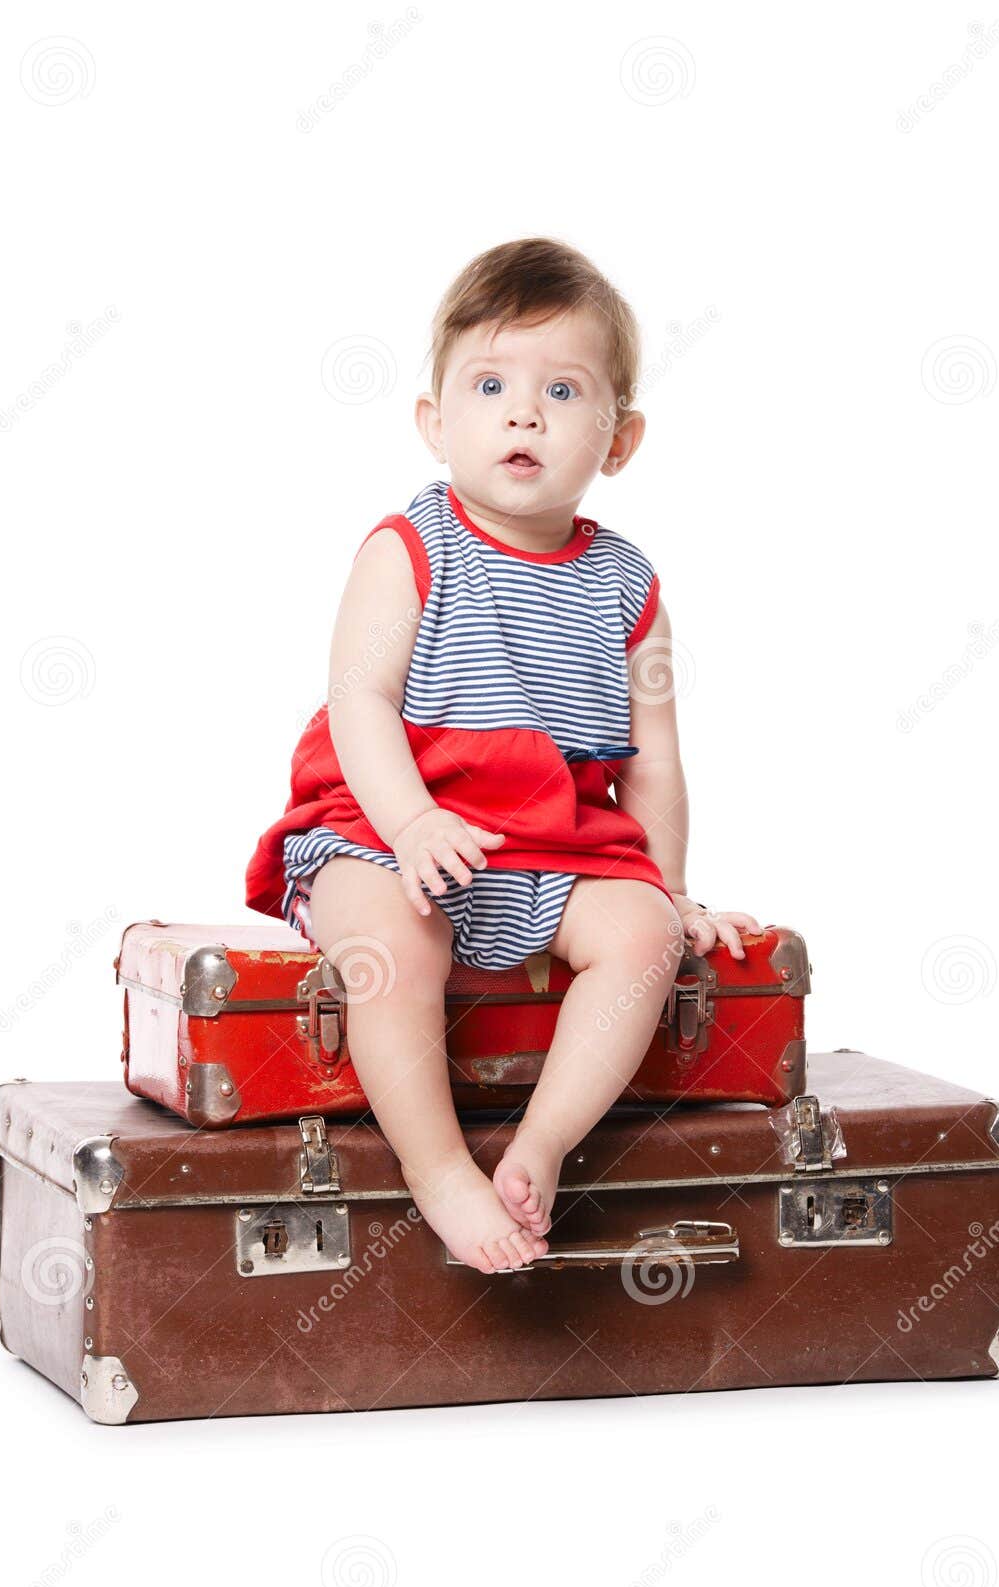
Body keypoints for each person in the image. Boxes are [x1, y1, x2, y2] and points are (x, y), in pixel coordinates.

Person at [245, 236, 761, 1274]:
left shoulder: (629, 588)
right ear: (437, 421)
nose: (523, 413)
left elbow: (651, 761)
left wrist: (672, 887)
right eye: (490, 384)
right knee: (397, 936)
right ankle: (437, 1169)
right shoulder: (410, 548)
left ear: (620, 441)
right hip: (385, 822)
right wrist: (411, 823)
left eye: (563, 390)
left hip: (554, 843)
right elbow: (362, 702)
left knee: (643, 935)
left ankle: (542, 1145)